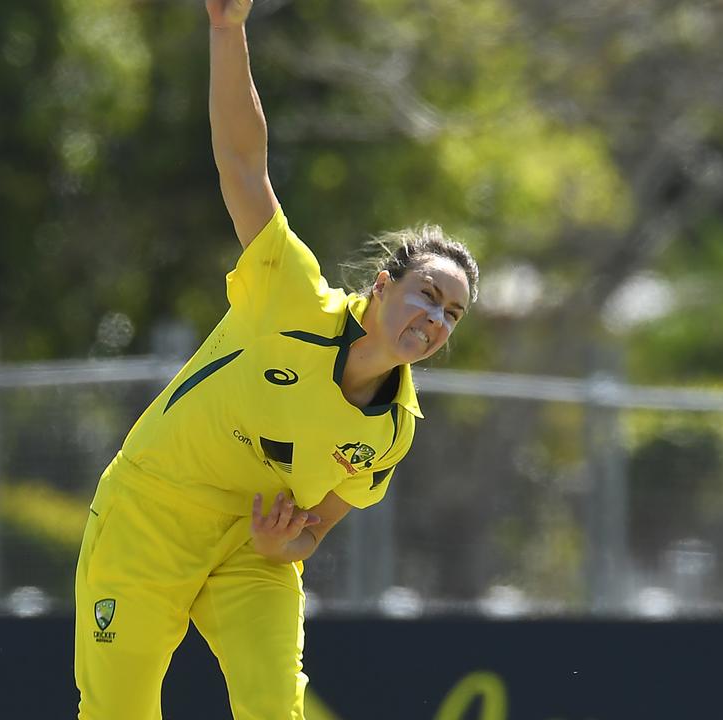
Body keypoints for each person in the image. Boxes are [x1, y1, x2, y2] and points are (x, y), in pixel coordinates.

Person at [73, 0, 480, 717]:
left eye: (451, 313)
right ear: (382, 287)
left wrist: (285, 543)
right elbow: (242, 160)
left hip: (251, 546)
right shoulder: (291, 298)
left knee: (274, 709)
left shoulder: (391, 431)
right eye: (426, 293)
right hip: (151, 514)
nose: (434, 318)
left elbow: (315, 527)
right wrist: (227, 31)